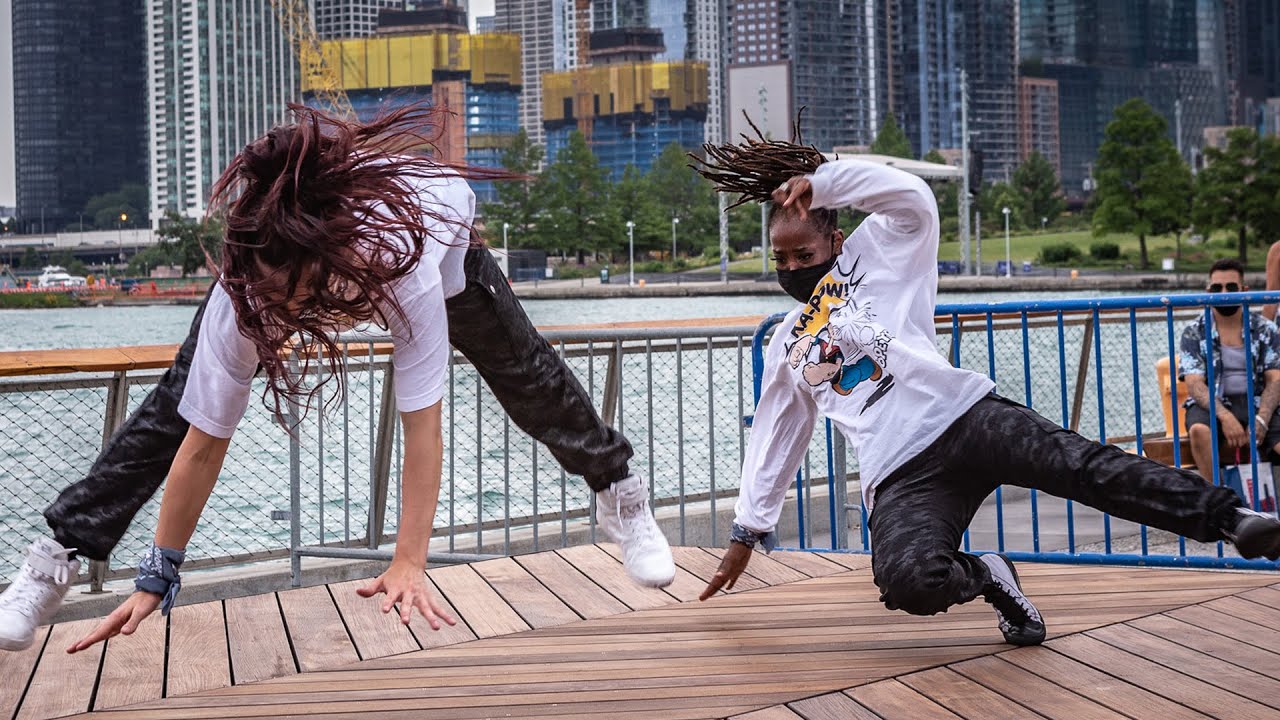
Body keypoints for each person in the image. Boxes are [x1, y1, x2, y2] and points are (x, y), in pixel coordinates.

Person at [0, 105, 675, 654]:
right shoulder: (249, 292)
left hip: (440, 251)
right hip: (313, 252)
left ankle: (620, 496)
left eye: (288, 300)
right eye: (265, 300)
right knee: (173, 408)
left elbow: (422, 423)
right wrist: (159, 572)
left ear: (322, 268)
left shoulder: (397, 256)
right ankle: (51, 559)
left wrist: (409, 560)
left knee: (524, 370)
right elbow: (202, 443)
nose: (279, 318)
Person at [691, 134, 1280, 646]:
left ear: (837, 241)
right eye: (780, 258)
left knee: (1083, 465)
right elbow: (776, 431)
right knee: (908, 584)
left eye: (804, 254)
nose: (792, 267)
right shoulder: (786, 343)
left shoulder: (881, 255)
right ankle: (992, 574)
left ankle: (1230, 520)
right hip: (900, 475)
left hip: (965, 417)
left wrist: (821, 184)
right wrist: (748, 528)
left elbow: (911, 197)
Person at [1179, 259, 1280, 480]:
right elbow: (1195, 384)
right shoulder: (1193, 331)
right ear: (1208, 292)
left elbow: (1275, 380)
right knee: (1199, 431)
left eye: (1231, 287)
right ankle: (1219, 503)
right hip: (1213, 403)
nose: (1224, 293)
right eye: (1217, 288)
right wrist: (1225, 417)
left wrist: (1262, 418)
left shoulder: (1266, 329)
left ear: (1244, 290)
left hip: (1257, 400)